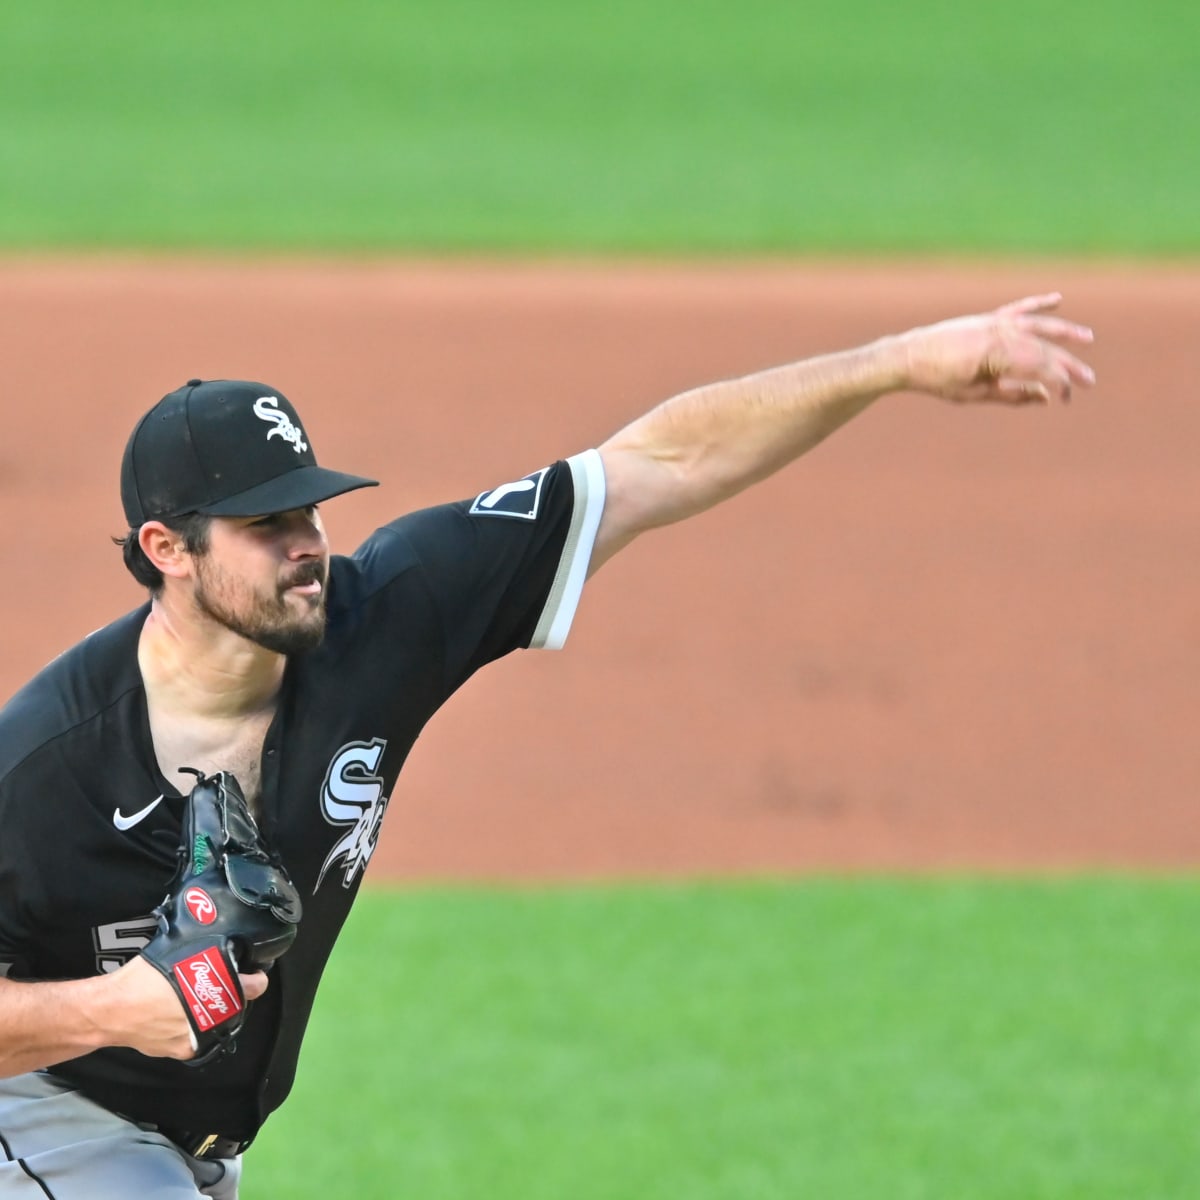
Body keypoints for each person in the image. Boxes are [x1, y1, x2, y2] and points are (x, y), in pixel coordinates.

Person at [0, 293, 1095, 1197]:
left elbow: (655, 464)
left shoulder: (383, 617)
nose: (308, 548)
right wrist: (113, 1011)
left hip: (191, 1152)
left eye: (312, 513)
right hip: (51, 1123)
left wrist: (893, 361)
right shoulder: (44, 767)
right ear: (166, 549)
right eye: (268, 527)